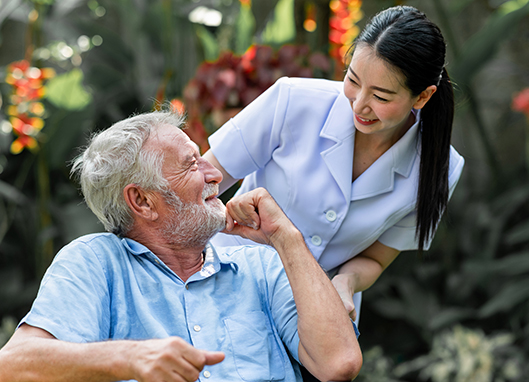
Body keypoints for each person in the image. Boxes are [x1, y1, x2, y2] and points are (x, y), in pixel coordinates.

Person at [0, 110, 362, 382]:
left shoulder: (261, 265)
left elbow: (339, 364)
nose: (215, 175)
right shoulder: (95, 263)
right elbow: (12, 365)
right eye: (192, 165)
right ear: (142, 201)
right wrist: (130, 358)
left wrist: (287, 238)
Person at [203, 5, 465, 326]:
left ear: (422, 96)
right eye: (352, 80)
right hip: (228, 277)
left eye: (381, 97)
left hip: (318, 312)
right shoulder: (293, 100)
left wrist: (346, 283)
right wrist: (226, 215)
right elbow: (201, 182)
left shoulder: (440, 167)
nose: (359, 104)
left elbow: (374, 258)